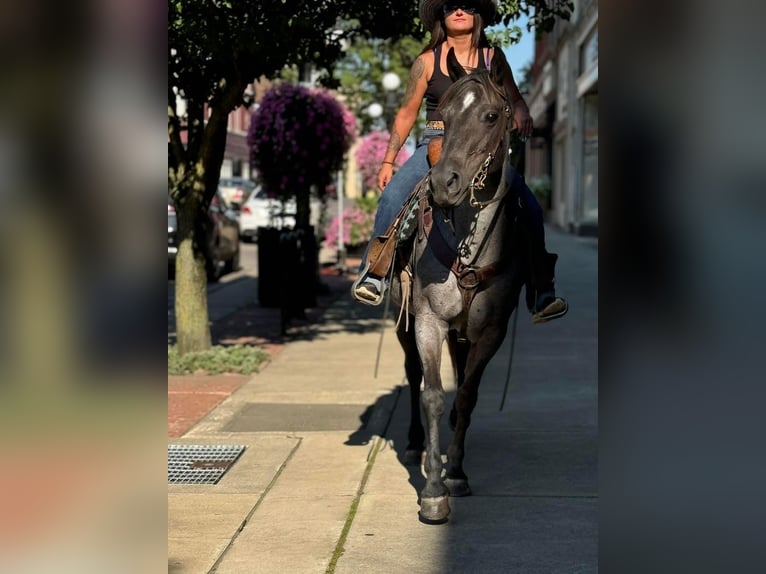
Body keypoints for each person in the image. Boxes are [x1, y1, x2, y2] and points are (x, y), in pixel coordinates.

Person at [351, 0, 567, 324]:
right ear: (442, 16)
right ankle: (374, 272)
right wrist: (388, 161)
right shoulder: (426, 62)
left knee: (530, 208)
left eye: (466, 4)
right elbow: (407, 112)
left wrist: (521, 111)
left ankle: (541, 291)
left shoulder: (493, 58)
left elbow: (515, 98)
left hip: (481, 149)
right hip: (435, 144)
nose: (459, 10)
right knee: (393, 197)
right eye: (451, 6)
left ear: (477, 14)